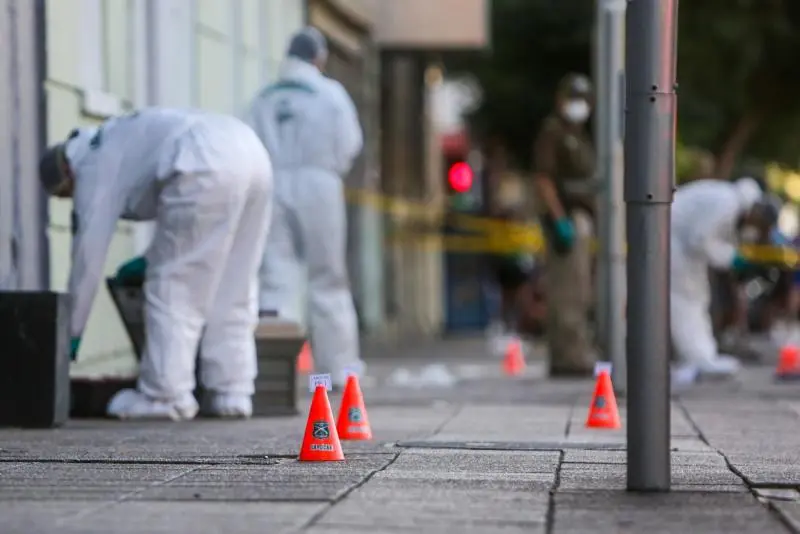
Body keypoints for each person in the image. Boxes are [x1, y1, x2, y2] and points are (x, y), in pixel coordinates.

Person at [38, 108, 273, 420]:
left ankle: (165, 395)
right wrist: (148, 258)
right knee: (236, 280)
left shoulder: (91, 165)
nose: (71, 198)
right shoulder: (117, 136)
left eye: (65, 194)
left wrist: (70, 333)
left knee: (174, 284)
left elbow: (87, 257)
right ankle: (232, 389)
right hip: (250, 152)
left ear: (64, 173)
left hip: (202, 158)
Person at [243, 27, 365, 389]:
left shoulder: (263, 97)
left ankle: (276, 371)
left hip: (273, 183)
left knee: (275, 277)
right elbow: (349, 144)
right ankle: (338, 371)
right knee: (327, 278)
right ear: (319, 57)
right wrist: (327, 170)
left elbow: (248, 143)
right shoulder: (331, 94)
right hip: (319, 184)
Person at [670, 176, 777, 386]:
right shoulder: (727, 203)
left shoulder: (729, 200)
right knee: (686, 301)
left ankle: (701, 355)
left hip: (683, 249)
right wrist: (731, 258)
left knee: (696, 299)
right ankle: (697, 357)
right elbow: (699, 239)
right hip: (676, 247)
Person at [531, 73, 597, 377]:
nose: (578, 105)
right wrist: (559, 220)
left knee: (580, 290)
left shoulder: (579, 134)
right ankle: (568, 358)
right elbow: (544, 179)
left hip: (580, 219)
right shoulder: (554, 131)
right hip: (566, 220)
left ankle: (573, 352)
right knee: (568, 292)